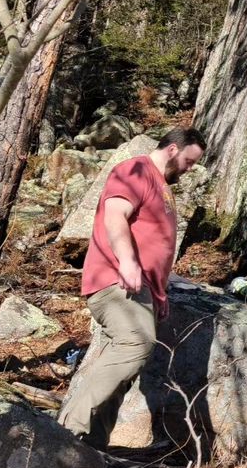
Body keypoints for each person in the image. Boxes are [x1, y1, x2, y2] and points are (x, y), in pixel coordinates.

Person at [58, 127, 206, 451]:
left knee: (123, 372)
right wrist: (126, 261)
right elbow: (115, 216)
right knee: (135, 343)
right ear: (172, 150)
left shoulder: (162, 185)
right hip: (115, 281)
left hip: (141, 290)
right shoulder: (137, 170)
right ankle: (67, 429)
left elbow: (154, 244)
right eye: (189, 161)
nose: (190, 168)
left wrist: (160, 293)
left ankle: (90, 449)